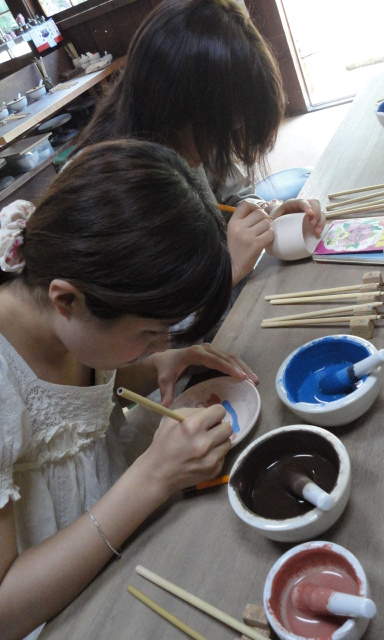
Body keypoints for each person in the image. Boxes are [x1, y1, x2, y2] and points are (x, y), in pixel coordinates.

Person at [0, 139, 258, 639]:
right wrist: (153, 477)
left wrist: (161, 361)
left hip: (124, 547)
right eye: (150, 333)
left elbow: (83, 398)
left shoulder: (68, 309)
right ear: (67, 301)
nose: (161, 342)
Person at [76, 0, 324, 286]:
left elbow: (232, 196)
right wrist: (229, 270)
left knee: (304, 178)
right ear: (175, 106)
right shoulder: (112, 191)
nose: (231, 131)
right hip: (198, 296)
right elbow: (153, 309)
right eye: (227, 124)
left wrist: (265, 214)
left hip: (213, 259)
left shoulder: (191, 123)